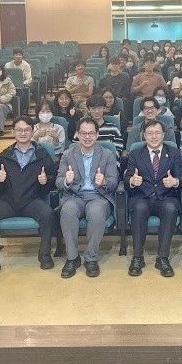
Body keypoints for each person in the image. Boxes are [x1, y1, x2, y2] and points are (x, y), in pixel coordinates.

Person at [0, 116, 58, 281]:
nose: (23, 133)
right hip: (7, 202)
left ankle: (44, 254)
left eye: (27, 130)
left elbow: (52, 183)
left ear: (32, 132)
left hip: (32, 201)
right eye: (19, 130)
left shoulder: (42, 155)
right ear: (13, 132)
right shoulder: (3, 156)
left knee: (48, 214)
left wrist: (46, 181)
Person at [56, 117, 119, 278]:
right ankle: (72, 258)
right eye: (83, 133)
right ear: (77, 135)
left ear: (97, 135)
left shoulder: (107, 154)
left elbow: (114, 182)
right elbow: (58, 181)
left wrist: (104, 181)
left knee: (96, 212)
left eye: (91, 133)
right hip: (74, 196)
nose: (87, 137)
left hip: (98, 196)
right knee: (68, 211)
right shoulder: (68, 154)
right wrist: (67, 181)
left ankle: (91, 258)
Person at [124, 120, 182, 277]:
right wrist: (132, 181)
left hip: (166, 196)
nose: (154, 136)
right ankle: (138, 257)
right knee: (138, 209)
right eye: (149, 133)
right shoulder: (136, 153)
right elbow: (127, 177)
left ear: (163, 135)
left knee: (170, 209)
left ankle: (163, 258)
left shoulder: (174, 153)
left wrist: (175, 182)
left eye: (157, 133)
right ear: (144, 136)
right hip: (142, 196)